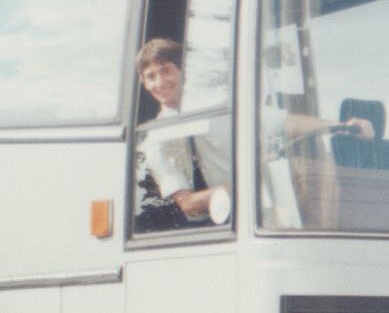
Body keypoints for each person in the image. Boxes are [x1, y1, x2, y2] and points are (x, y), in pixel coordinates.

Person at [135, 38, 373, 225]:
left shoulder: (221, 106)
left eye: (166, 70)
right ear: (144, 84)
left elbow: (284, 122)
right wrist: (246, 180)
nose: (160, 82)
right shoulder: (156, 139)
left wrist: (340, 125)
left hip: (266, 210)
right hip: (219, 227)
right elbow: (187, 203)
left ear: (181, 71)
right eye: (151, 76)